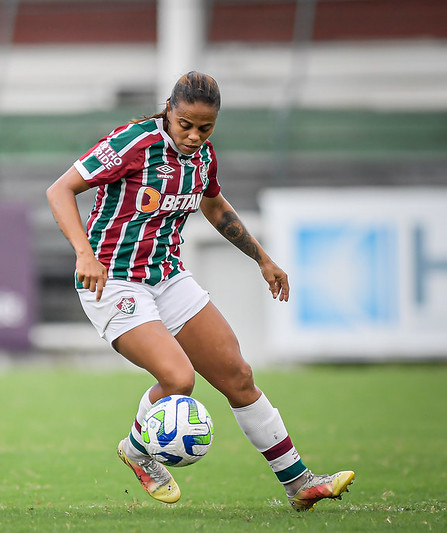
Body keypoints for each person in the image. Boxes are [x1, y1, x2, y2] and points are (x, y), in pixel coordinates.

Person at [46, 71, 354, 511]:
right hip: (111, 278)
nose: (193, 136)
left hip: (167, 275)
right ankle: (136, 450)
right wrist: (83, 252)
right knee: (178, 379)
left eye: (205, 128)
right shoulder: (134, 143)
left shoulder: (203, 155)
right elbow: (60, 190)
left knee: (239, 376)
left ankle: (299, 483)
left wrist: (262, 259)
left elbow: (213, 204)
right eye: (185, 124)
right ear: (169, 109)